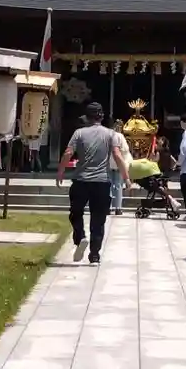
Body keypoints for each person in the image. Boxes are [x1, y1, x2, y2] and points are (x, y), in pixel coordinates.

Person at [56, 102, 131, 263]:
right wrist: (126, 177)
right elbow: (117, 155)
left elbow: (68, 153)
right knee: (98, 219)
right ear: (101, 117)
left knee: (75, 213)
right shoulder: (111, 134)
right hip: (101, 182)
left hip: (81, 181)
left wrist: (60, 171)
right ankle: (95, 254)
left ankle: (80, 237)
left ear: (87, 118)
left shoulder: (79, 133)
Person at [108, 118, 130, 215]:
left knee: (109, 186)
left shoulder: (108, 135)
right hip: (118, 163)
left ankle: (108, 207)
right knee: (118, 186)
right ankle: (118, 208)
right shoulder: (120, 136)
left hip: (109, 163)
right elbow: (125, 149)